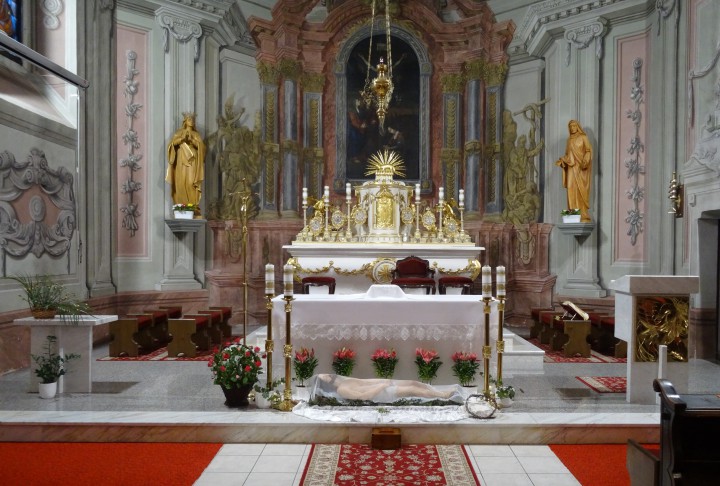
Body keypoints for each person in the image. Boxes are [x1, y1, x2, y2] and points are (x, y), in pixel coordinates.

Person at [314, 374, 463, 403]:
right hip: (381, 393)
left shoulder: (345, 381)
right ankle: (443, 395)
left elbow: (366, 382)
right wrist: (382, 386)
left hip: (382, 385)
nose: (328, 375)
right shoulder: (342, 390)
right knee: (412, 389)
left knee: (413, 382)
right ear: (327, 384)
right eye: (325, 377)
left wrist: (383, 381)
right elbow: (364, 396)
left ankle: (437, 391)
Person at [166, 113, 206, 207]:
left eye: (192, 120)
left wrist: (193, 141)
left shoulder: (196, 134)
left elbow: (202, 148)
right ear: (185, 121)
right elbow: (172, 144)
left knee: (191, 182)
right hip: (180, 160)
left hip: (193, 160)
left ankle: (192, 205)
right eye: (189, 119)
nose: (191, 121)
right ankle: (181, 205)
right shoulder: (179, 132)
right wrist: (181, 139)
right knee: (180, 182)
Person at [556, 120, 592, 222]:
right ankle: (572, 212)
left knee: (580, 190)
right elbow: (568, 155)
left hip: (581, 168)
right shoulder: (569, 140)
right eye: (570, 126)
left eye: (574, 126)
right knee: (571, 188)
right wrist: (563, 161)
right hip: (571, 169)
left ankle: (583, 214)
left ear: (578, 127)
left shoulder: (583, 137)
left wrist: (585, 160)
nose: (572, 128)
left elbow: (588, 151)